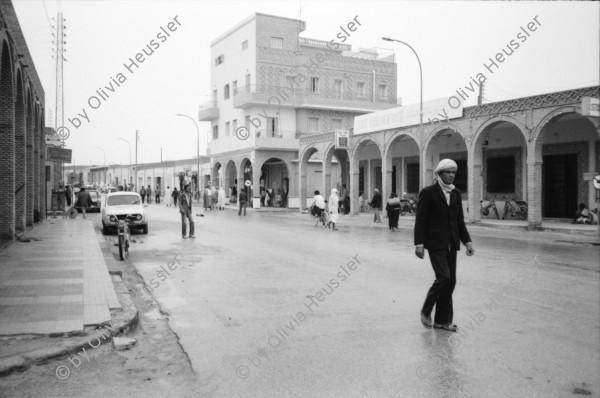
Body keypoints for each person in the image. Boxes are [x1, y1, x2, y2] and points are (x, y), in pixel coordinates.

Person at [414, 159, 474, 332]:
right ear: (439, 174)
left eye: (453, 172)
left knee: (450, 282)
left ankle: (442, 321)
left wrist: (467, 241)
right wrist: (419, 243)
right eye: (447, 172)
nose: (451, 175)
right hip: (435, 243)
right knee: (444, 277)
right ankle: (426, 310)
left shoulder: (456, 193)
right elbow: (421, 220)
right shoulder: (428, 193)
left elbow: (459, 221)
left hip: (452, 243)